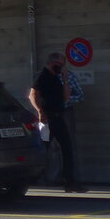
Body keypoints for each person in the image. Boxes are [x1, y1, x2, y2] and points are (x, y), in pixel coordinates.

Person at [29, 52, 86, 193]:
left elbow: (66, 97)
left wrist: (65, 79)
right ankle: (34, 176)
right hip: (47, 118)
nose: (61, 67)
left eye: (63, 65)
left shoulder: (57, 77)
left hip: (58, 116)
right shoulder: (43, 75)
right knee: (44, 148)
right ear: (52, 63)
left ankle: (70, 181)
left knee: (67, 147)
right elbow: (33, 94)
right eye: (59, 65)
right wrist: (40, 111)